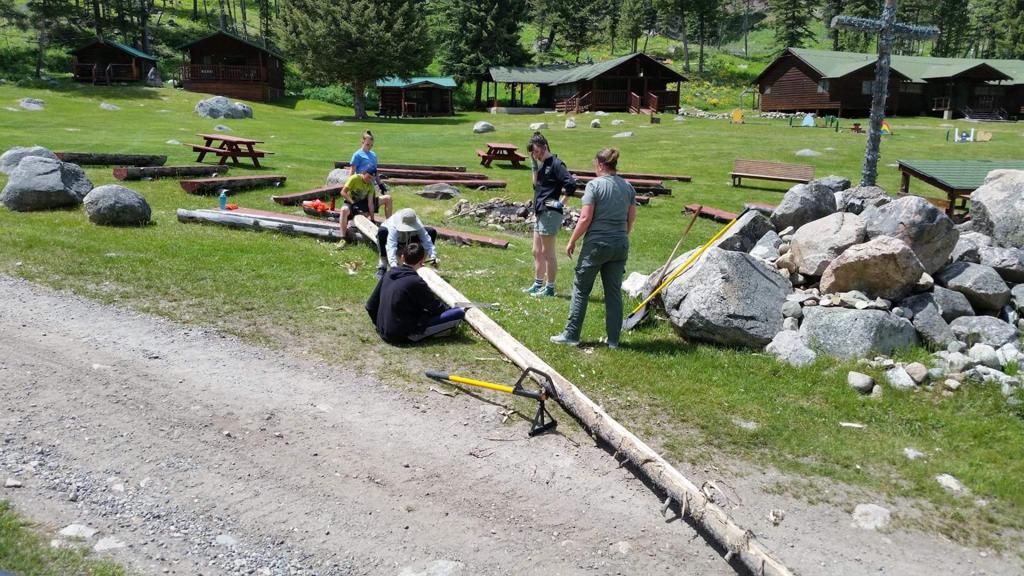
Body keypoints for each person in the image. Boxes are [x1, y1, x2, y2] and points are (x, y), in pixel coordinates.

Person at [550, 148, 636, 349]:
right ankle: (614, 341)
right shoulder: (628, 187)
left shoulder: (594, 186)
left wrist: (572, 240)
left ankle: (571, 335)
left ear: (600, 165)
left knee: (581, 288)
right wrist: (624, 234)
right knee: (613, 292)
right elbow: (631, 218)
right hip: (620, 244)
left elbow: (586, 218)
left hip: (597, 245)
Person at [365, 243, 465, 344]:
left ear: (403, 257)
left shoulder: (388, 274)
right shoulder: (415, 281)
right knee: (458, 313)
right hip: (401, 335)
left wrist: (380, 325)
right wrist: (450, 307)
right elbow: (436, 308)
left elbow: (370, 306)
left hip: (383, 328)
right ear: (422, 262)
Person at [522, 132, 576, 297]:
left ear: (545, 147)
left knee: (548, 252)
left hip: (550, 213)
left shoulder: (556, 164)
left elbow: (571, 184)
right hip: (540, 211)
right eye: (533, 153)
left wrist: (559, 204)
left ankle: (550, 288)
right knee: (536, 251)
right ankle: (538, 284)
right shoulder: (543, 165)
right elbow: (535, 186)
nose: (536, 155)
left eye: (537, 151)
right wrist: (533, 166)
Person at [376, 208, 438, 279]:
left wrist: (433, 255)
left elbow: (427, 240)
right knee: (382, 232)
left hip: (409, 238)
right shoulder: (394, 225)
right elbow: (391, 246)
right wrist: (394, 266)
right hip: (396, 239)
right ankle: (383, 265)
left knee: (431, 231)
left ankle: (420, 262)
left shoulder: (417, 223)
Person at [338, 167, 393, 239]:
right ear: (363, 173)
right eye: (369, 177)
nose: (369, 180)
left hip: (363, 203)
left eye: (372, 178)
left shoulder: (371, 185)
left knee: (388, 198)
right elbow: (343, 192)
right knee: (343, 210)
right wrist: (353, 203)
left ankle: (389, 225)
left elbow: (370, 203)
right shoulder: (354, 178)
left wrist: (372, 219)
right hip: (351, 202)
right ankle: (343, 238)